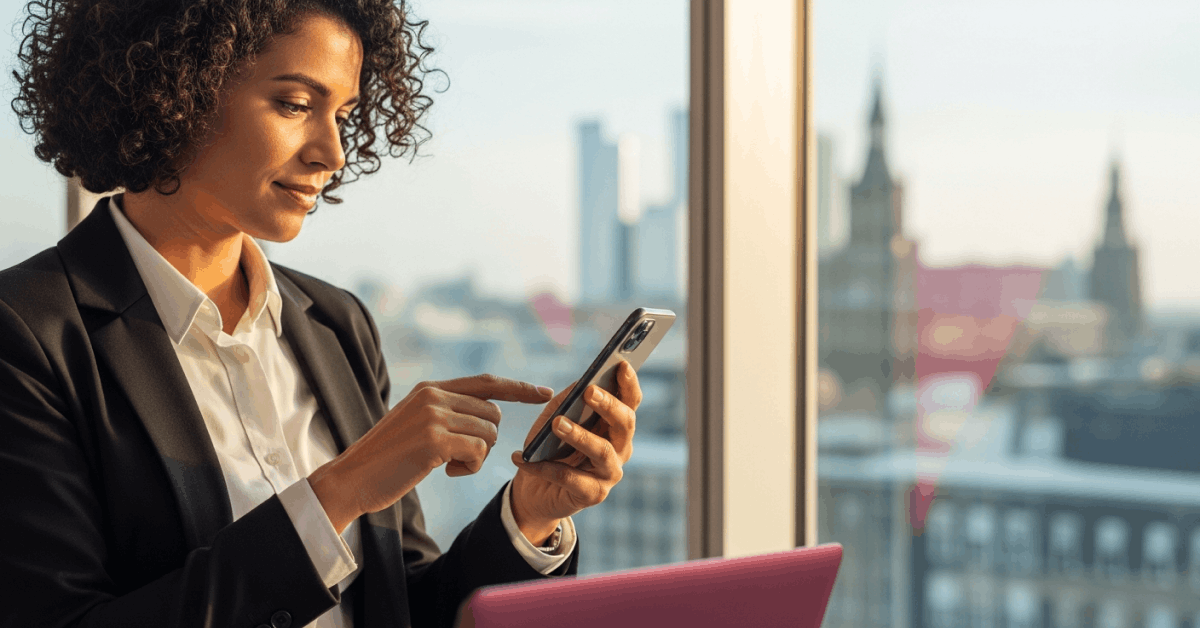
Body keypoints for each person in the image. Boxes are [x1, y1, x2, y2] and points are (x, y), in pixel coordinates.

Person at [0, 1, 642, 627]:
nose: (333, 153)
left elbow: (399, 607)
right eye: (295, 104)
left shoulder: (336, 324)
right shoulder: (27, 334)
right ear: (174, 88)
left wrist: (526, 517)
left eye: (343, 114)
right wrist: (339, 492)